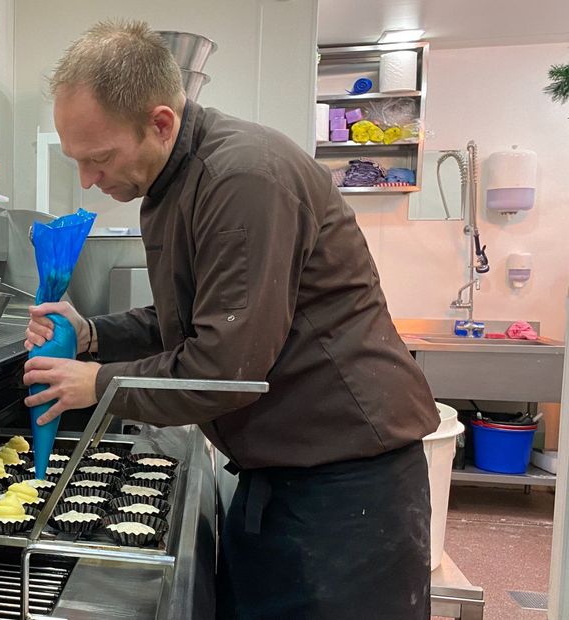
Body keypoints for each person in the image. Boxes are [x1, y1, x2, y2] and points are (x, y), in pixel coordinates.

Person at [22, 20, 440, 619]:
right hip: (282, 479)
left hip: (346, 493)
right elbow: (192, 320)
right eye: (77, 161)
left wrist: (96, 384)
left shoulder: (241, 178)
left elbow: (224, 365)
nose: (89, 180)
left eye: (99, 158)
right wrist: (92, 335)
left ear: (161, 122)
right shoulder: (170, 183)